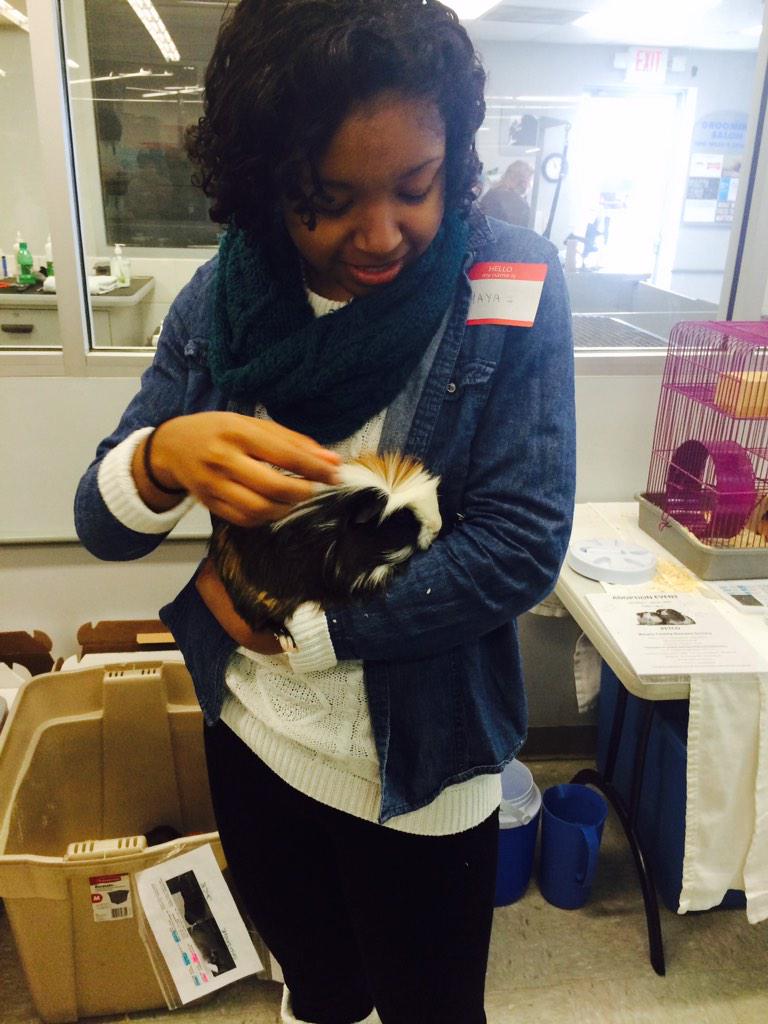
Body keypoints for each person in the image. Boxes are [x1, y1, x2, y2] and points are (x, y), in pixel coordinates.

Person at [74, 3, 575, 1022]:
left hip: (423, 766)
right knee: (319, 988)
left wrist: (308, 628)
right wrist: (165, 456)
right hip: (254, 736)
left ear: (455, 157)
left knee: (432, 1005)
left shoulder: (506, 286)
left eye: (416, 186)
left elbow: (520, 544)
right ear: (266, 181)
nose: (382, 232)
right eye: (329, 200)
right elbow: (102, 519)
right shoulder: (218, 304)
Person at [479, 159, 534, 228]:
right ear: (524, 182)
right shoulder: (521, 206)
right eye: (530, 180)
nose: (530, 185)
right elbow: (520, 235)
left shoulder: (490, 194)